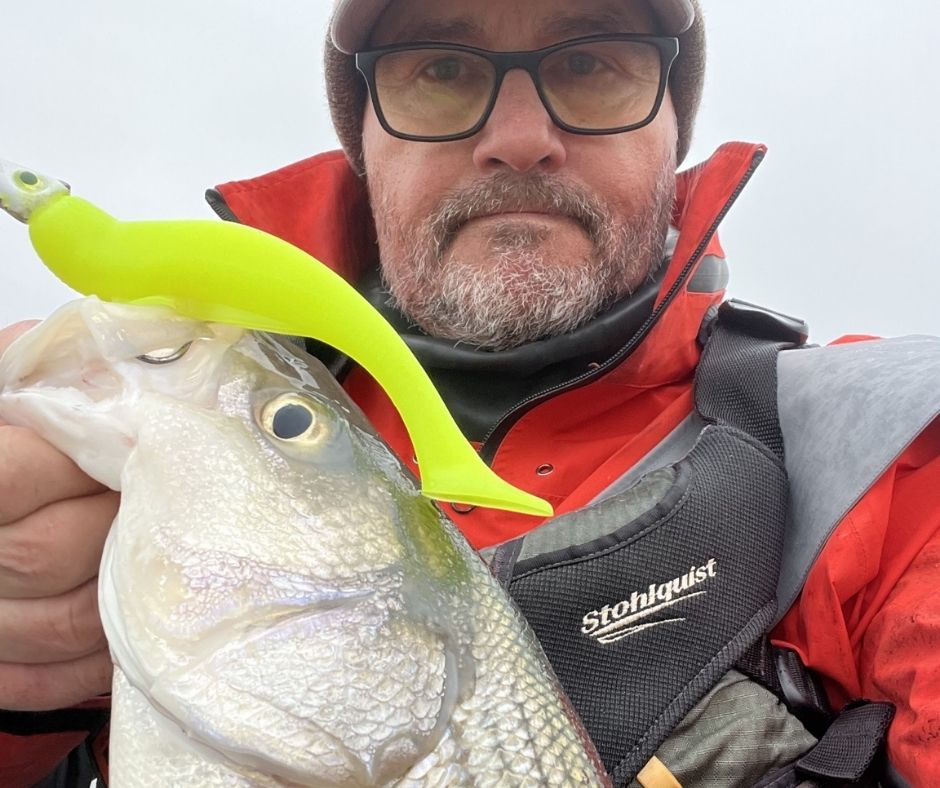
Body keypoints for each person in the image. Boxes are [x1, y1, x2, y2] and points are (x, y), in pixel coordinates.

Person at [1, 0, 938, 785]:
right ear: (365, 142)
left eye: (591, 65)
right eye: (442, 71)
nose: (520, 140)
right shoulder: (155, 445)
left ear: (670, 133)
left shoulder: (886, 458)